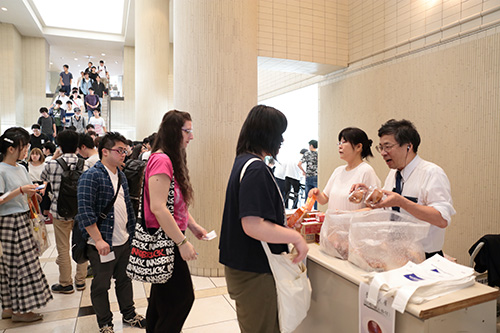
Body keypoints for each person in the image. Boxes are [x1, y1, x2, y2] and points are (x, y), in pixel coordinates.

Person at [219, 105, 308, 333]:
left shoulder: (244, 161)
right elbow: (252, 225)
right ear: (265, 133)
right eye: (279, 133)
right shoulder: (256, 168)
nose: (281, 140)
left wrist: (283, 225)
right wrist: (296, 238)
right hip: (254, 269)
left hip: (242, 265)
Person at [352, 119, 455, 258]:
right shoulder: (394, 173)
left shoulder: (432, 173)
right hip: (396, 254)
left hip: (424, 257)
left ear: (408, 146)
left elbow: (441, 219)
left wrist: (402, 202)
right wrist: (370, 193)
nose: (383, 153)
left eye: (387, 146)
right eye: (380, 147)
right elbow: (388, 206)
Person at [76, 132, 147, 333]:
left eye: (125, 150)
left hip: (123, 240)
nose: (124, 154)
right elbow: (85, 212)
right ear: (105, 152)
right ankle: (105, 323)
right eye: (120, 150)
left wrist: (132, 236)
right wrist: (98, 240)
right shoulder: (91, 176)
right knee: (101, 285)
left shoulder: (121, 175)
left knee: (125, 280)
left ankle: (129, 314)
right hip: (102, 243)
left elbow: (127, 207)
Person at [143, 110, 207, 332]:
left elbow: (174, 204)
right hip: (166, 240)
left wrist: (193, 225)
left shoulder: (168, 158)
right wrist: (182, 242)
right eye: (187, 131)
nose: (191, 136)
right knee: (182, 300)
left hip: (167, 236)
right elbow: (159, 207)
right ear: (173, 131)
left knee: (161, 301)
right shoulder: (162, 160)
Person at [0, 127, 52, 322]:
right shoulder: (1, 169)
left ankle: (10, 307)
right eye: (24, 146)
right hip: (8, 222)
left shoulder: (21, 167)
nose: (27, 150)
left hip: (23, 218)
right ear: (11, 148)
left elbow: (23, 192)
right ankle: (20, 311)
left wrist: (34, 191)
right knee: (18, 267)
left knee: (19, 265)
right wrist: (20, 190)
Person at [40, 130, 90, 295]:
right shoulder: (86, 164)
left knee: (63, 248)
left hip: (59, 212)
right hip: (81, 213)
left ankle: (65, 283)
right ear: (77, 146)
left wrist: (55, 156)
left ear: (59, 146)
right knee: (81, 245)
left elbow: (43, 178)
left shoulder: (52, 164)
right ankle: (81, 281)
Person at [309, 127, 380, 212]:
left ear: (358, 147)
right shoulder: (338, 171)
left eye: (344, 142)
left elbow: (373, 207)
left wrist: (345, 216)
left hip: (352, 224)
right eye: (339, 143)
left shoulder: (366, 171)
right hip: (333, 223)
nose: (340, 146)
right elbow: (324, 199)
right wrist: (317, 194)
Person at [298, 139, 318, 209]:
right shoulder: (319, 154)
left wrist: (304, 172)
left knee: (308, 195)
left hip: (309, 176)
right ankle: (316, 210)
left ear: (311, 145)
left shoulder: (307, 153)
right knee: (316, 195)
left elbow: (299, 164)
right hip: (317, 176)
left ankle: (306, 211)